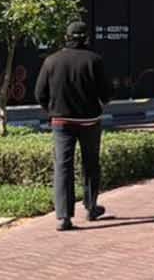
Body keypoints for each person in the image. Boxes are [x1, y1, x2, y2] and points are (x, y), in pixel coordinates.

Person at [35, 21, 112, 231]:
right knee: (91, 164)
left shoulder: (51, 61)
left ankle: (64, 217)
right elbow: (107, 93)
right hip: (89, 121)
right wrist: (99, 104)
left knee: (63, 166)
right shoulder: (94, 60)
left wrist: (52, 110)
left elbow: (40, 93)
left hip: (61, 122)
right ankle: (91, 207)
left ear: (66, 38)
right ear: (86, 38)